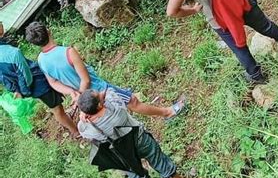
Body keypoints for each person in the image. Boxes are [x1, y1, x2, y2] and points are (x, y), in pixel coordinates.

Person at [25, 22, 186, 121]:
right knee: (132, 102)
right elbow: (86, 80)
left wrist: (73, 93)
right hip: (99, 90)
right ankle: (167, 112)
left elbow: (53, 82)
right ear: (49, 31)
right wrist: (81, 94)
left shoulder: (41, 60)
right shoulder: (68, 52)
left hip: (84, 100)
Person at [77, 89, 188, 178]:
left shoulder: (85, 129)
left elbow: (82, 127)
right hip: (140, 140)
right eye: (98, 95)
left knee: (137, 177)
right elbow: (110, 91)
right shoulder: (116, 108)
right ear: (99, 105)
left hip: (122, 155)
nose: (100, 93)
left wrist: (84, 113)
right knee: (159, 161)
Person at [0, 22, 78, 137]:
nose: (2, 24)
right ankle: (75, 131)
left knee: (55, 105)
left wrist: (16, 90)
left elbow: (3, 77)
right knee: (57, 109)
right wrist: (25, 91)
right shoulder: (13, 53)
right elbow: (26, 75)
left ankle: (68, 120)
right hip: (38, 84)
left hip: (22, 88)